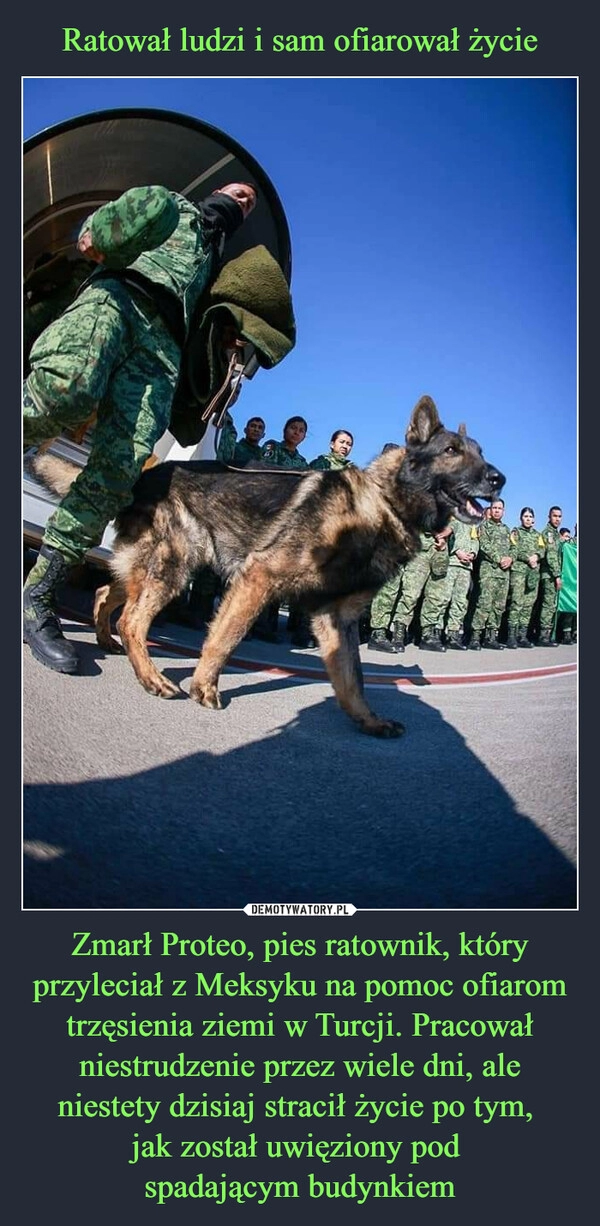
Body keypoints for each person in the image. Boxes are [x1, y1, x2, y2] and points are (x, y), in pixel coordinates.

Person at [23, 181, 296, 674]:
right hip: (119, 299)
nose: (245, 201)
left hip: (161, 352)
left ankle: (36, 596)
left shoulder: (215, 271)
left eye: (250, 202)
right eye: (239, 192)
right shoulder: (168, 205)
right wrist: (104, 234)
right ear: (216, 190)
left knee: (116, 473)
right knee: (64, 394)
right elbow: (94, 236)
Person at [418, 514, 480, 649]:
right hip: (451, 563)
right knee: (443, 598)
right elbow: (446, 533)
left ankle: (453, 635)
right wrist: (457, 551)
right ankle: (435, 632)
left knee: (460, 602)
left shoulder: (472, 524)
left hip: (466, 567)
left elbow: (475, 540)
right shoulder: (452, 518)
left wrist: (472, 554)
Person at [468, 497, 514, 649]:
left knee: (499, 606)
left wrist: (510, 558)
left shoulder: (507, 530)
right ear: (491, 509)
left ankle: (491, 637)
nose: (497, 511)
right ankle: (475, 637)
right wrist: (499, 558)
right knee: (484, 604)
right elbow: (484, 545)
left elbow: (514, 548)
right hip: (489, 571)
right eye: (494, 508)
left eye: (499, 509)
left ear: (503, 511)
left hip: (504, 573)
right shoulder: (484, 526)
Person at [505, 507, 546, 648]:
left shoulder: (538, 535)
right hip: (519, 572)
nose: (528, 519)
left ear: (534, 519)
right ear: (521, 518)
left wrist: (537, 556)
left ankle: (522, 636)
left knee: (528, 605)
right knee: (516, 603)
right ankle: (511, 636)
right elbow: (513, 549)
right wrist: (528, 558)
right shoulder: (516, 532)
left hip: (533, 573)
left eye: (530, 516)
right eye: (525, 516)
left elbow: (542, 549)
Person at [537, 505, 563, 646]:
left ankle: (548, 634)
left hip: (553, 574)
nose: (557, 519)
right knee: (548, 605)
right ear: (549, 517)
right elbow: (551, 556)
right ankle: (543, 636)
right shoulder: (549, 533)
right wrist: (557, 575)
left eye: (559, 516)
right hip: (549, 575)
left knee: (551, 605)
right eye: (555, 516)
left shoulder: (557, 534)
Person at [556, 527, 577, 644]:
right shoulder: (570, 543)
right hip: (570, 579)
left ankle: (575, 632)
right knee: (569, 605)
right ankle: (566, 632)